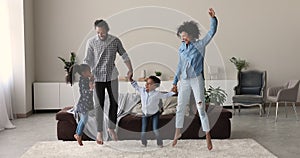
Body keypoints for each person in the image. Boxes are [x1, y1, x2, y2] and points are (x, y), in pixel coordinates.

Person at [172, 8, 218, 150]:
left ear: (191, 35)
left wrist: (213, 19)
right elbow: (179, 66)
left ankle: (208, 136)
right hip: (184, 81)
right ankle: (177, 133)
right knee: (180, 108)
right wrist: (174, 82)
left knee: (200, 109)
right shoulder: (181, 48)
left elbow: (211, 32)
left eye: (185, 36)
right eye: (181, 36)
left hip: (196, 79)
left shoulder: (200, 45)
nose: (183, 38)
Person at [83, 19, 133, 145]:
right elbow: (87, 60)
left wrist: (130, 69)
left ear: (107, 30)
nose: (100, 35)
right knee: (98, 105)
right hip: (97, 78)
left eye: (103, 32)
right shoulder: (91, 42)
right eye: (98, 33)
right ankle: (99, 131)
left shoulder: (115, 41)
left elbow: (124, 55)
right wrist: (87, 77)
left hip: (112, 76)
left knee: (114, 102)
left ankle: (111, 128)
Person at [129, 76, 177, 148]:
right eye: (146, 83)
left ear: (155, 86)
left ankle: (160, 143)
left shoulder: (157, 94)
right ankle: (144, 143)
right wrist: (131, 80)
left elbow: (165, 96)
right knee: (143, 131)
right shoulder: (142, 90)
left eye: (149, 84)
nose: (146, 85)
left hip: (155, 114)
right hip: (145, 114)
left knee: (155, 130)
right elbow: (136, 86)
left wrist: (173, 92)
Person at [67, 64, 94, 146]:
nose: (90, 72)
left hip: (86, 103)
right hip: (84, 103)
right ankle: (78, 135)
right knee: (84, 119)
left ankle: (77, 134)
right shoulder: (83, 81)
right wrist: (91, 89)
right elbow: (84, 92)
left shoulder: (85, 79)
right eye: (89, 71)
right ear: (83, 73)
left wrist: (91, 81)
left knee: (83, 119)